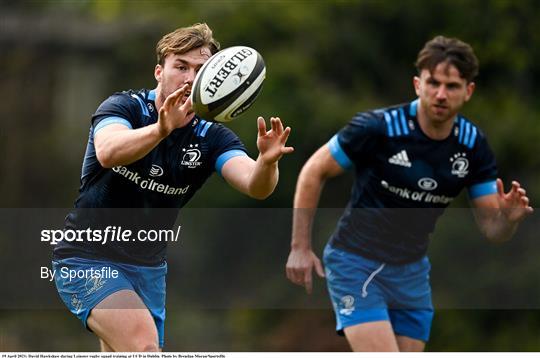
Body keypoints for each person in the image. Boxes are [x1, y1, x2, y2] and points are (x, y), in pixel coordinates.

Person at [52, 23, 293, 352]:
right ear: (159, 72)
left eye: (200, 69)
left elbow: (255, 185)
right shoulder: (125, 107)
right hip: (87, 257)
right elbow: (108, 151)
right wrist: (160, 130)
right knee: (144, 346)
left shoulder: (211, 136)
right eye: (180, 67)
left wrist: (267, 162)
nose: (190, 78)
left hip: (148, 267)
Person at [285, 35, 533, 352]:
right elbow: (313, 171)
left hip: (411, 271)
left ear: (468, 91)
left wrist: (508, 220)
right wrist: (300, 247)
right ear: (418, 84)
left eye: (452, 86)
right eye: (433, 83)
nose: (441, 94)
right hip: (355, 261)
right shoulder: (378, 128)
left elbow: (492, 229)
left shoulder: (473, 146)